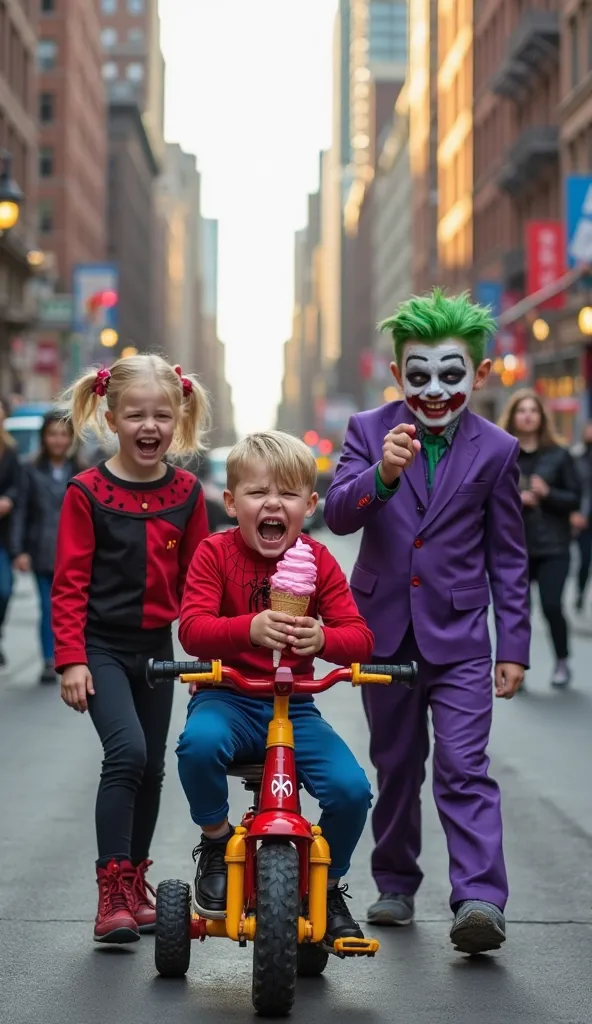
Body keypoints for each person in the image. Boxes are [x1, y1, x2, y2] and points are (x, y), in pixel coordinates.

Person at [324, 288, 530, 955]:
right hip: (382, 631)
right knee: (396, 763)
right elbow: (338, 514)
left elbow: (509, 554)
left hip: (463, 637)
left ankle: (479, 899)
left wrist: (515, 646)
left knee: (464, 767)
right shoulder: (365, 430)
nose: (435, 390)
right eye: (419, 376)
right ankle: (394, 882)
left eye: (451, 374)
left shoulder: (497, 449)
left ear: (479, 374)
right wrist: (381, 475)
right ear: (396, 376)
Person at [176, 431, 374, 947]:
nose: (272, 504)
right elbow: (192, 628)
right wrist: (247, 628)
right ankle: (217, 841)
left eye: (287, 494)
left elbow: (360, 639)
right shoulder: (213, 554)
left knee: (352, 790)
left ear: (309, 505)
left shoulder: (319, 560)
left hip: (294, 707)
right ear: (231, 502)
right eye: (257, 492)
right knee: (197, 746)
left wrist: (324, 636)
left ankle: (325, 885)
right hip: (228, 694)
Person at [51, 354, 210, 945]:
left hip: (156, 648)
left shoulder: (188, 492)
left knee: (153, 768)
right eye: (136, 414)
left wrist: (204, 655)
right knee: (127, 752)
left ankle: (135, 884)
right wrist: (70, 657)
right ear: (110, 417)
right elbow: (68, 581)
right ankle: (110, 892)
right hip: (100, 646)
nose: (150, 426)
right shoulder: (86, 492)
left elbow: (200, 580)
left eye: (162, 415)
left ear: (179, 418)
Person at [498, 389, 581, 687]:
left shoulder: (559, 455)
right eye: (522, 410)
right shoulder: (502, 454)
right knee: (518, 613)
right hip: (513, 546)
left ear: (542, 417)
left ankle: (562, 660)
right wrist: (514, 500)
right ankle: (515, 669)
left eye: (533, 410)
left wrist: (548, 494)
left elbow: (575, 498)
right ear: (513, 417)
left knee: (551, 606)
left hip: (553, 545)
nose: (528, 415)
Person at [11, 410, 81, 684]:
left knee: (74, 609)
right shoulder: (29, 469)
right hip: (40, 550)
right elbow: (21, 512)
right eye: (52, 434)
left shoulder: (82, 471)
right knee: (48, 609)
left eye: (63, 435)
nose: (58, 440)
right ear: (44, 437)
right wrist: (19, 551)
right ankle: (49, 659)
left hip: (74, 553)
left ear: (71, 439)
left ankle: (73, 654)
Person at [0, 397, 20, 667]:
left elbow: (18, 487)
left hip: (2, 537)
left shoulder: (10, 452)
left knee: (4, 590)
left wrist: (9, 500)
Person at [571, 421, 592, 612]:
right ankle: (580, 592)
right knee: (585, 561)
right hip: (586, 519)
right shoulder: (577, 457)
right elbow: (578, 489)